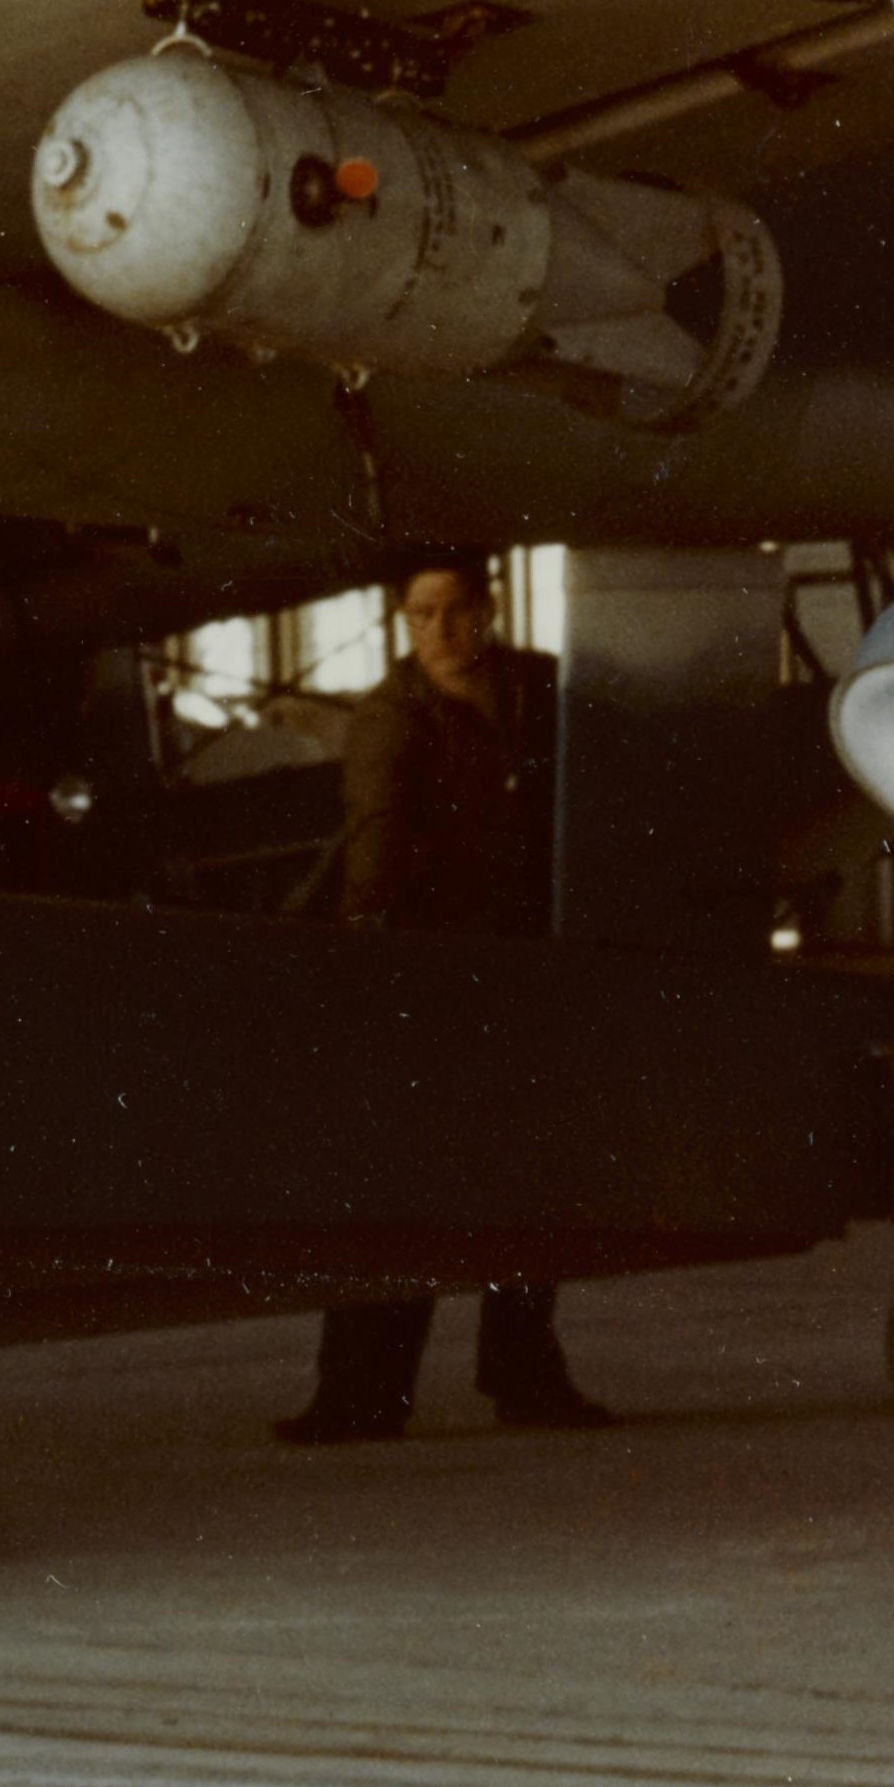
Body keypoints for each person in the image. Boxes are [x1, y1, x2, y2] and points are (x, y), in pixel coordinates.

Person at [282, 551, 614, 1446]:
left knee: (534, 1178)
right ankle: (360, 1392)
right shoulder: (390, 721)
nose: (444, 633)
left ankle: (522, 1372)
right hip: (424, 984)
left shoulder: (542, 690)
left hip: (529, 974)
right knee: (401, 1183)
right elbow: (375, 849)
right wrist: (365, 966)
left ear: (489, 607)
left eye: (459, 610)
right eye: (424, 615)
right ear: (404, 622)